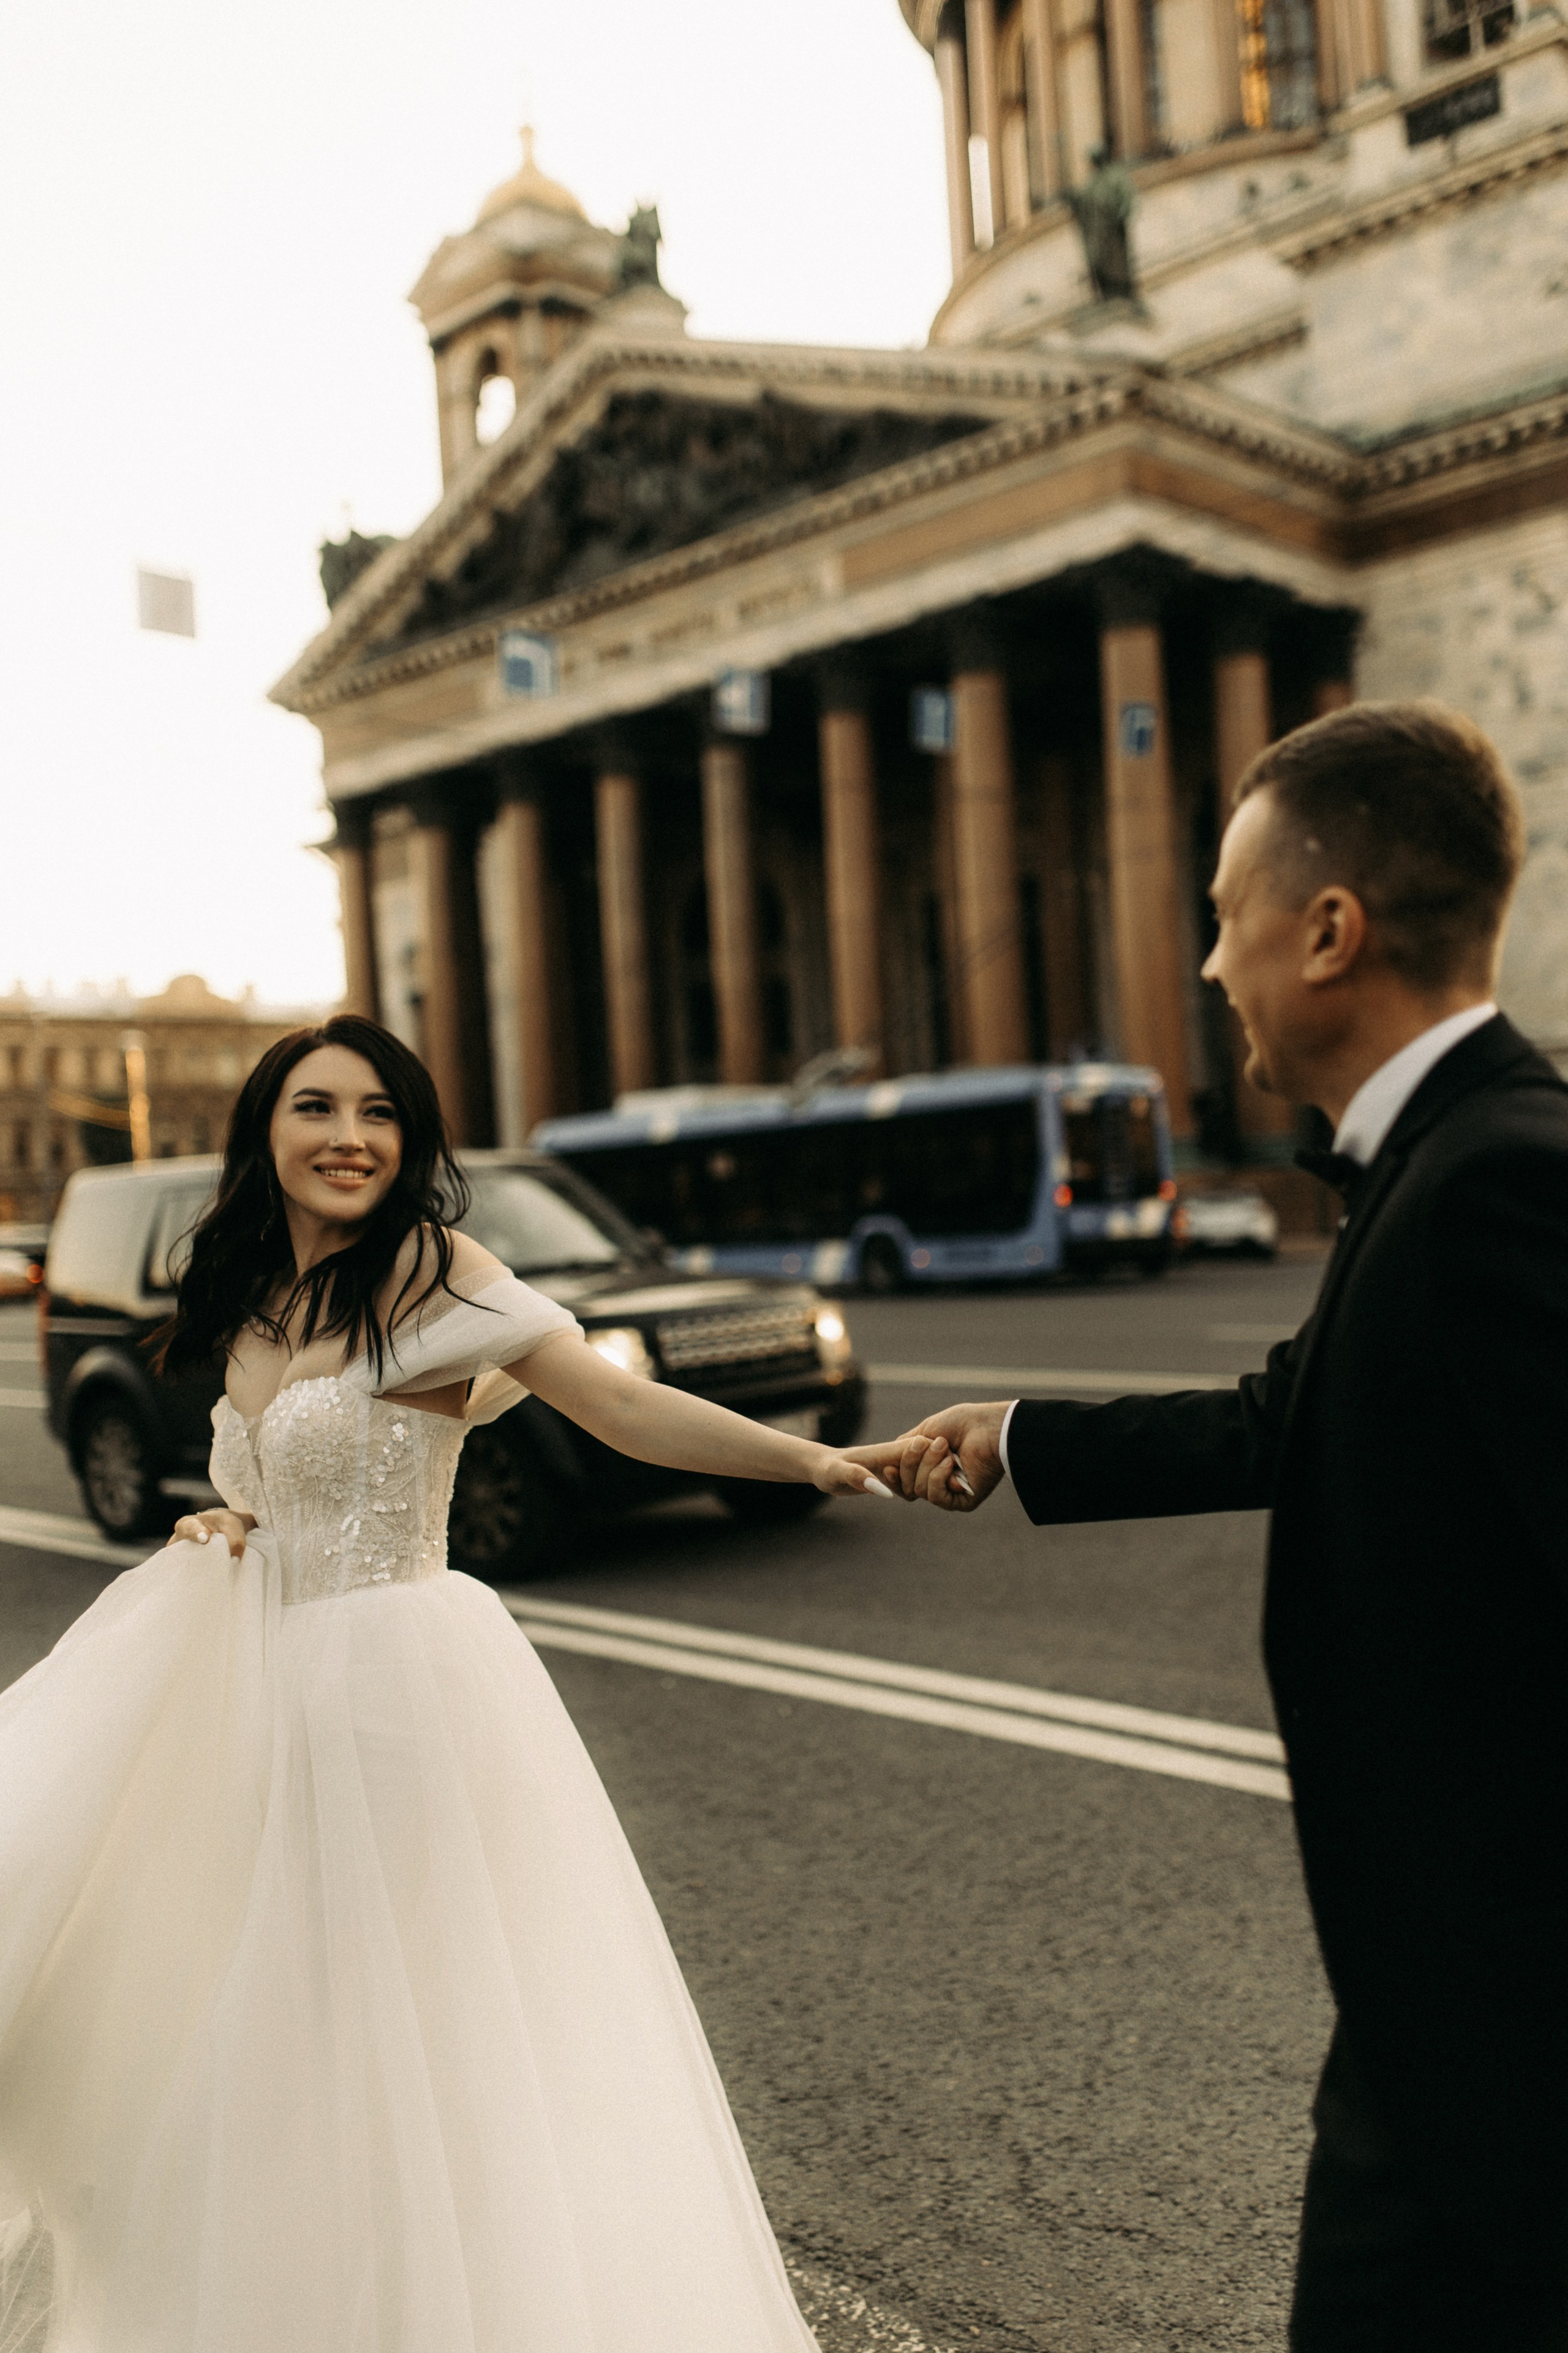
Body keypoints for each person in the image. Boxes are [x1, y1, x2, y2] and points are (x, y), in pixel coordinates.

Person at [0, 1014, 894, 2353]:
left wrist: (814, 1460)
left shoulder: (436, 1273)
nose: (349, 1137)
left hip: (396, 1692)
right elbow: (268, 1484)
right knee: (273, 2023)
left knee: (412, 2024)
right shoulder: (252, 1299)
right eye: (317, 1107)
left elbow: (618, 1406)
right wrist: (231, 1519)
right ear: (265, 1130)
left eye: (381, 1113)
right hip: (262, 1696)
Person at [849, 701, 1568, 2350]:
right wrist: (1018, 1439)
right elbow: (1288, 1413)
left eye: (1227, 914)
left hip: (1511, 2044)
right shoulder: (1438, 1164)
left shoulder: (1499, 1178)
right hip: (1437, 2023)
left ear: (1328, 931)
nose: (1204, 964)